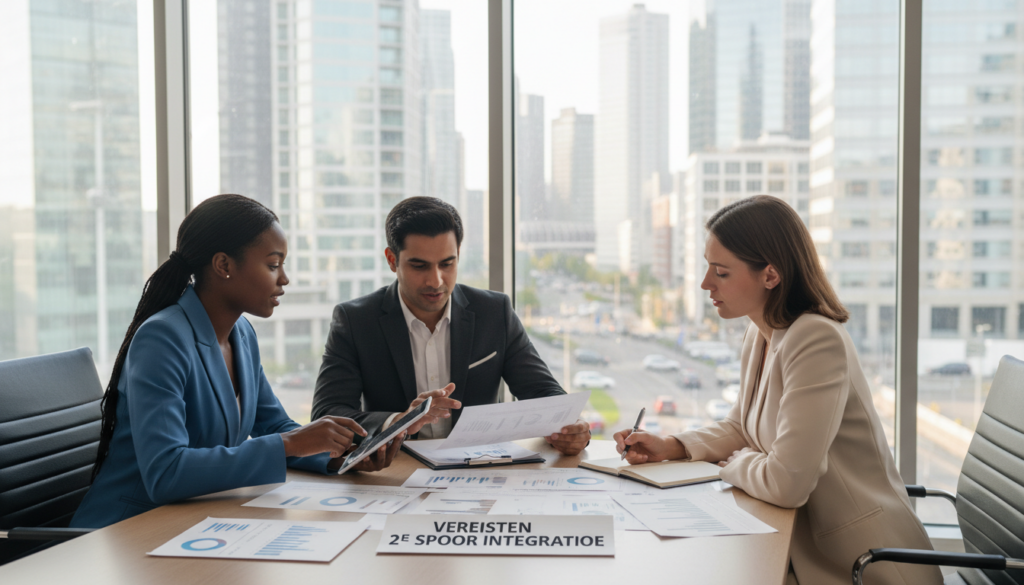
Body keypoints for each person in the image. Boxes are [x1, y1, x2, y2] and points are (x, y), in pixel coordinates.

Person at [613, 196, 939, 585]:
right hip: (797, 546)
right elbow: (743, 427)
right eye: (707, 268)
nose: (705, 284)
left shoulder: (816, 338)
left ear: (770, 275)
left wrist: (733, 465)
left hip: (861, 564)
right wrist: (672, 446)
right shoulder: (762, 330)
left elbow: (787, 483)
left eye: (721, 272)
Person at [72, 194, 401, 529]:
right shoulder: (161, 339)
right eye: (273, 265)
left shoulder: (241, 333)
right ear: (224, 265)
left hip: (192, 521)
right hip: (126, 530)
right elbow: (166, 471)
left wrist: (340, 457)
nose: (284, 279)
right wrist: (290, 444)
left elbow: (274, 426)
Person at [312, 196, 590, 455]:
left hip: (480, 470)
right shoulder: (355, 321)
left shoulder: (495, 312)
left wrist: (572, 428)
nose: (436, 281)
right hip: (396, 471)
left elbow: (545, 394)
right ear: (392, 260)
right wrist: (400, 422)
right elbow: (327, 414)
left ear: (458, 254)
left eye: (447, 263)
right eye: (419, 266)